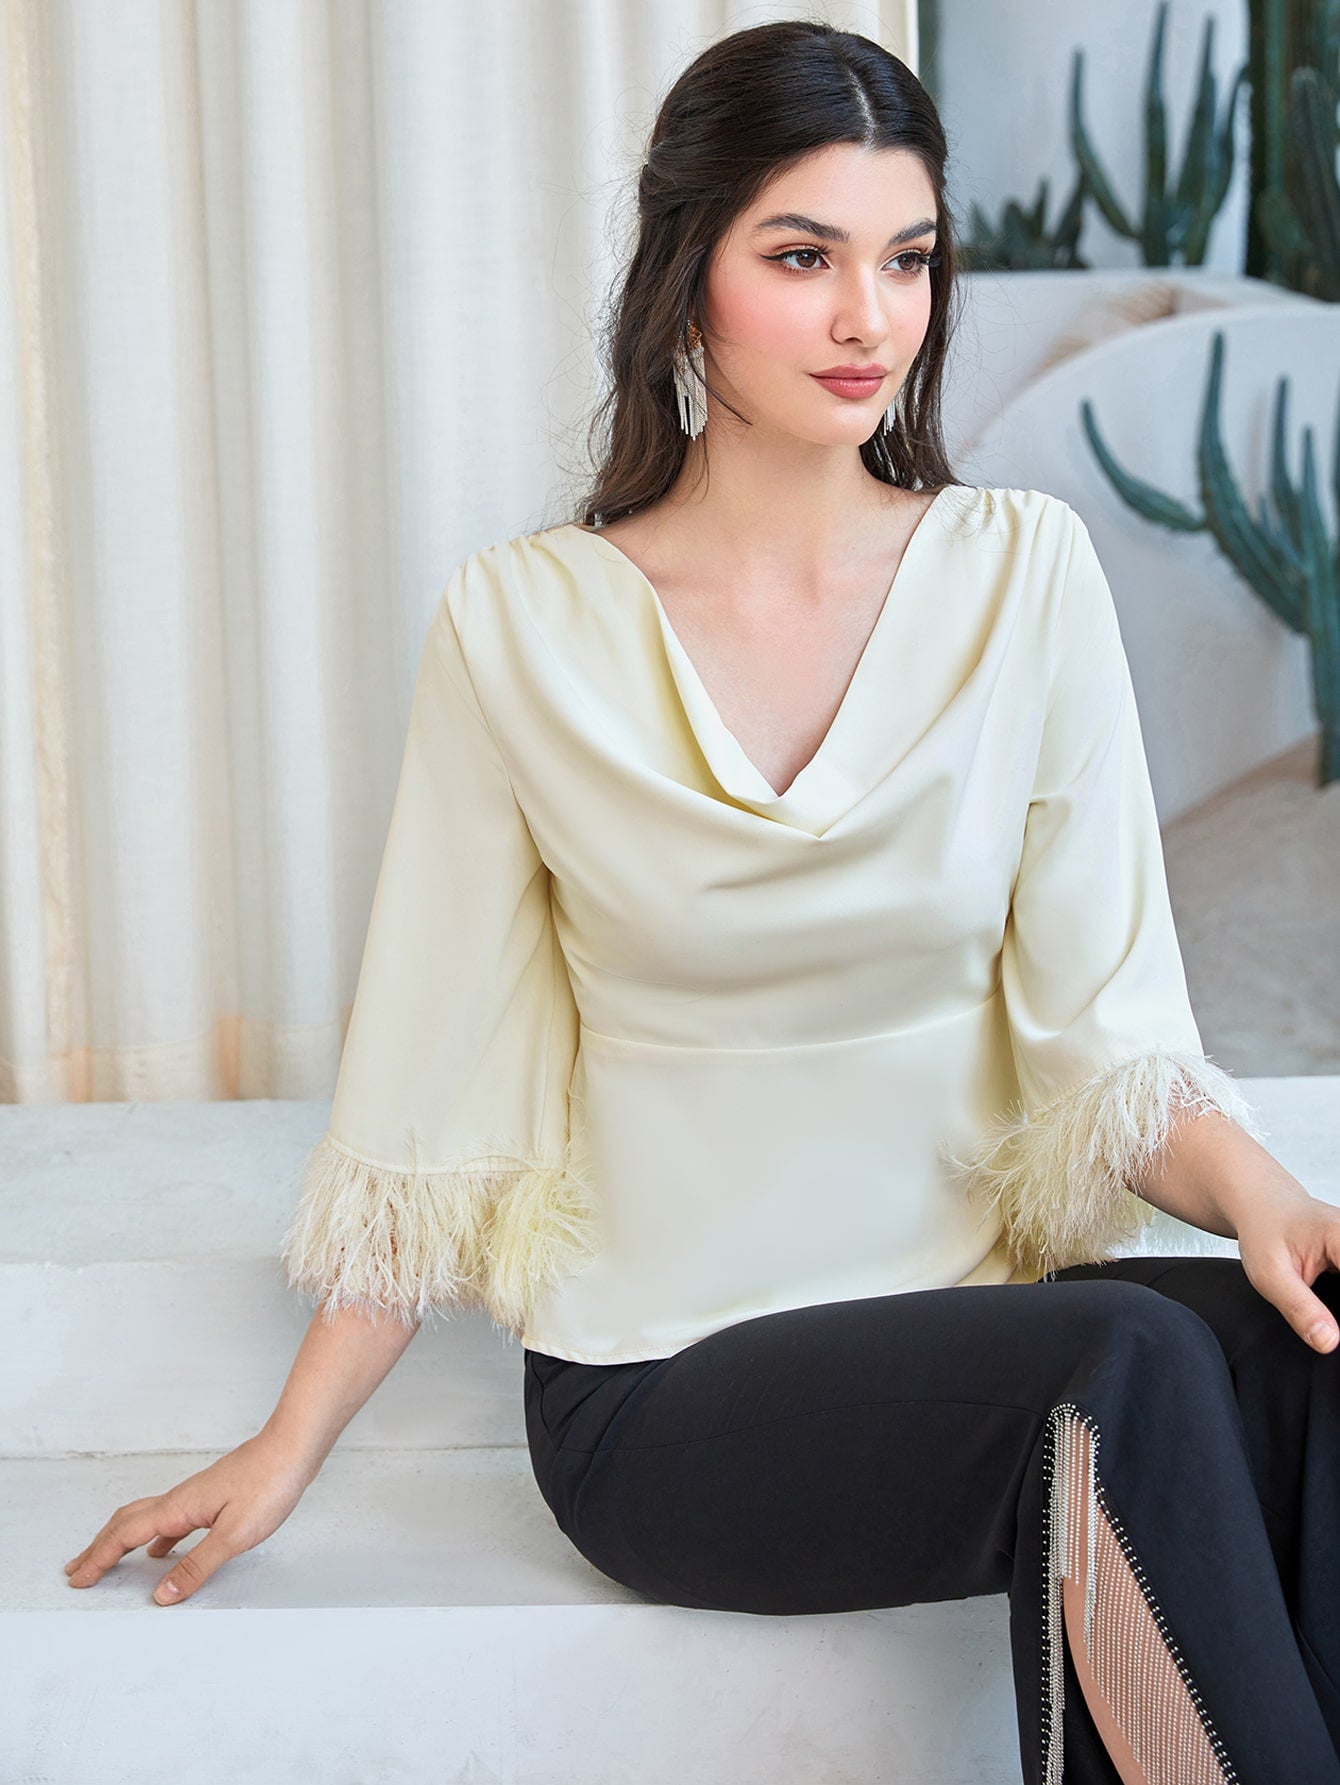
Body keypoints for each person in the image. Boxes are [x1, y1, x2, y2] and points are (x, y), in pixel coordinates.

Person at [62, 19, 1340, 1785]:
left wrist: (1272, 1198)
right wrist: (288, 1443)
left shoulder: (1025, 578)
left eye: (907, 259)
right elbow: (434, 1086)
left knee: (1309, 1359)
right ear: (687, 282)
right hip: (666, 1391)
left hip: (966, 1331)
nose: (868, 317)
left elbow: (1107, 1034)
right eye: (802, 257)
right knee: (1123, 1359)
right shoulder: (523, 626)